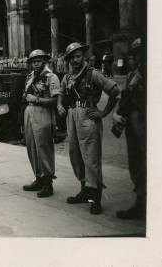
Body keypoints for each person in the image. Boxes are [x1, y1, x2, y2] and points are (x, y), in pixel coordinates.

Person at [57, 42, 119, 215]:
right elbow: (61, 93)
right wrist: (60, 105)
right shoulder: (67, 77)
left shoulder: (93, 74)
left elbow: (114, 90)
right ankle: (85, 191)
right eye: (72, 57)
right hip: (72, 115)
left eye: (78, 56)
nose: (75, 60)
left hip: (88, 116)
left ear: (83, 57)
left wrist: (103, 112)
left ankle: (96, 198)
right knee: (75, 154)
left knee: (91, 158)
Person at [113, 38, 146, 220]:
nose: (137, 57)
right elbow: (124, 96)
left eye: (139, 53)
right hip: (132, 123)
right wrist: (116, 114)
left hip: (145, 123)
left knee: (146, 161)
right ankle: (141, 202)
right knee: (135, 160)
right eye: (136, 54)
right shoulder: (133, 73)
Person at [22, 50, 60, 197]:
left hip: (43, 113)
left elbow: (55, 100)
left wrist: (36, 100)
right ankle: (39, 177)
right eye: (33, 61)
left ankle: (48, 183)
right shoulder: (30, 77)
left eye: (38, 60)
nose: (36, 63)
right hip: (30, 112)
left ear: (44, 61)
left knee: (44, 148)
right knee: (31, 147)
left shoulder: (51, 77)